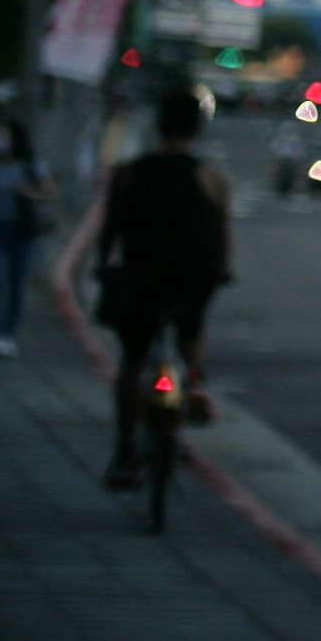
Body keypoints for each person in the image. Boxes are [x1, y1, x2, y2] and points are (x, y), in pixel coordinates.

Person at [89, 82, 230, 484]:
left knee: (133, 362)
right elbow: (222, 238)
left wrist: (103, 267)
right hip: (190, 284)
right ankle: (194, 386)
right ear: (196, 129)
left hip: (140, 280)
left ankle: (125, 450)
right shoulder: (210, 177)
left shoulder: (129, 173)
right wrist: (221, 273)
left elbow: (110, 232)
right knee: (191, 335)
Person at [0, 116, 52, 357]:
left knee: (17, 283)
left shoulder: (31, 164)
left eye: (4, 135)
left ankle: (9, 334)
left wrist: (30, 192)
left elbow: (49, 192)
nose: (0, 140)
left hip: (23, 230)